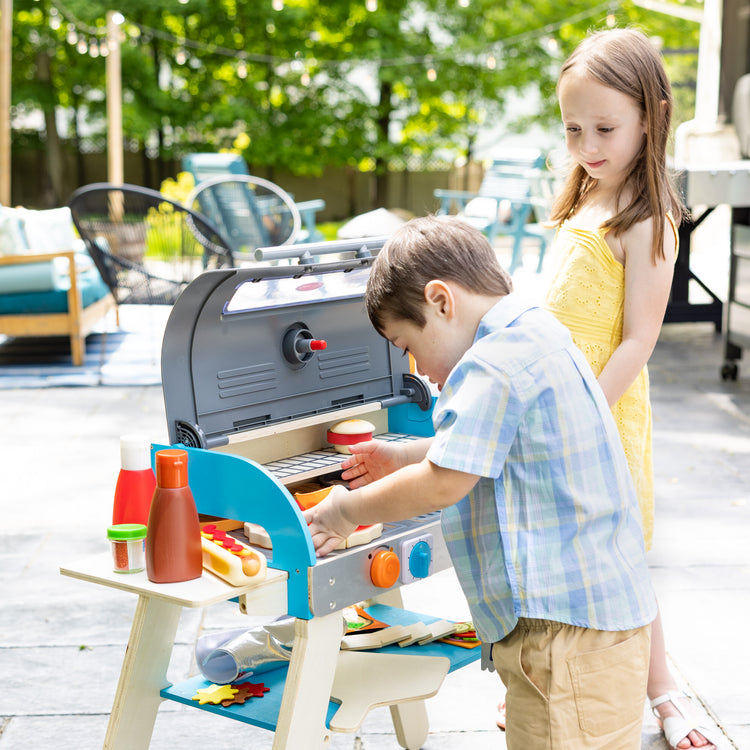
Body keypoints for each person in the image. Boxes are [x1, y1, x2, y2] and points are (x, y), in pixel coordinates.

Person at [304, 214, 658, 749]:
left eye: (408, 343)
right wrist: (401, 455)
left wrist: (345, 511)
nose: (418, 367)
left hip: (559, 635)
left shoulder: (490, 365)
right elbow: (497, 443)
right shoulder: (537, 332)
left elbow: (446, 481)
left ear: (442, 301)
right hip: (602, 623)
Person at [542, 28, 723, 750]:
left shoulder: (647, 217)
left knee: (615, 561)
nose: (588, 145)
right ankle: (547, 683)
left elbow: (638, 339)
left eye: (606, 129)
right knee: (560, 552)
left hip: (599, 413)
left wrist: (578, 418)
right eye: (574, 129)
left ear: (651, 116)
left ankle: (666, 697)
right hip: (557, 404)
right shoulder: (587, 197)